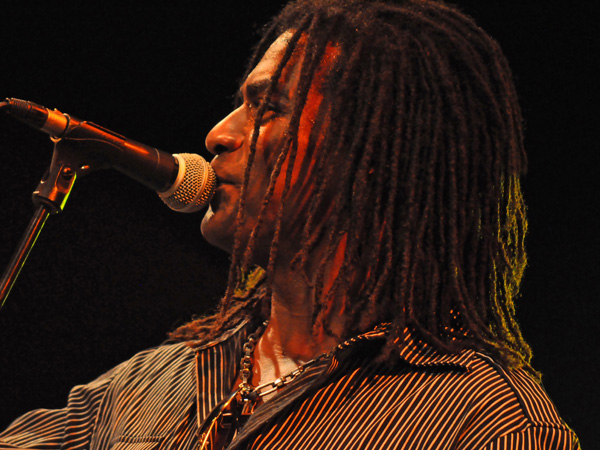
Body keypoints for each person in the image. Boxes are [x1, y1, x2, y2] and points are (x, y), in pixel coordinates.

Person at [0, 0, 580, 449]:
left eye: (268, 107)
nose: (218, 135)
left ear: (372, 155)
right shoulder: (149, 385)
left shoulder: (486, 424)